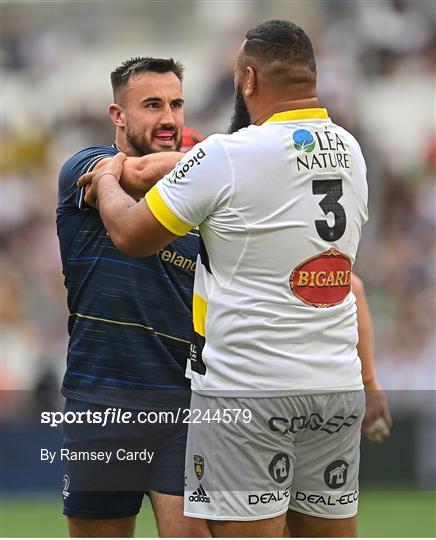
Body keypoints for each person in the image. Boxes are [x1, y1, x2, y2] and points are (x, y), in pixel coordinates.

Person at [79, 23, 386, 535]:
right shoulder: (352, 152)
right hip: (335, 386)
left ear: (248, 78)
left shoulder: (228, 154)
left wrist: (109, 177)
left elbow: (131, 235)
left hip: (247, 392)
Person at [56, 57, 209, 538]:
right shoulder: (86, 167)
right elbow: (136, 175)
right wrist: (210, 161)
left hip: (182, 407)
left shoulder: (200, 197)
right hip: (99, 402)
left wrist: (210, 164)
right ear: (117, 115)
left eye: (177, 104)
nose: (168, 117)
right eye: (152, 105)